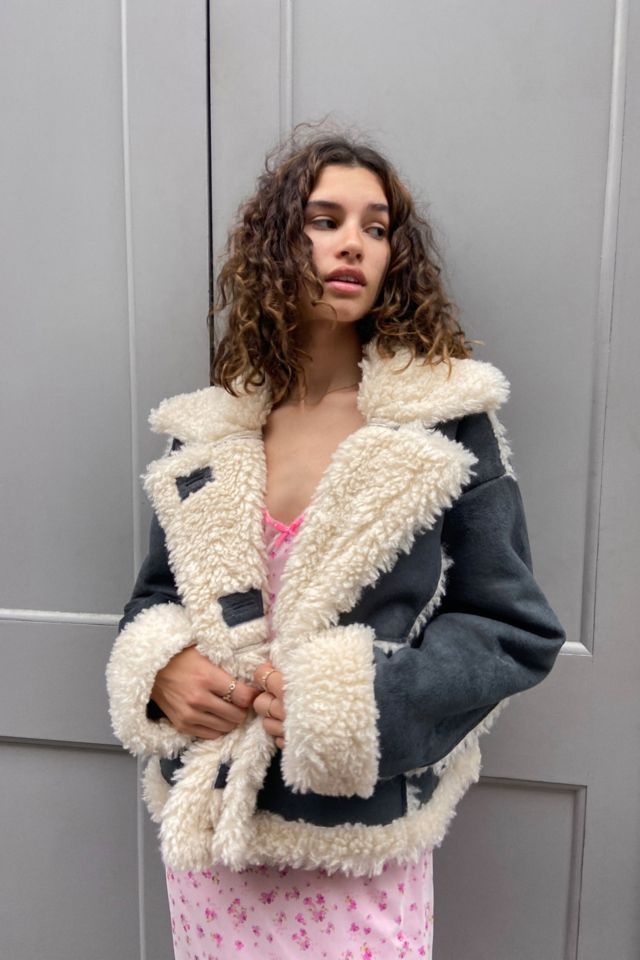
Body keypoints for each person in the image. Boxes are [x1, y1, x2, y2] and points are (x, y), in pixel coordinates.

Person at [106, 127, 565, 959]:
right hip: (213, 837)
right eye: (324, 220)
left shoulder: (444, 427)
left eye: (376, 227)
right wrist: (161, 670)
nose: (353, 243)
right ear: (277, 242)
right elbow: (157, 598)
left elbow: (512, 630)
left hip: (354, 845)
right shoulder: (208, 431)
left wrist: (362, 706)